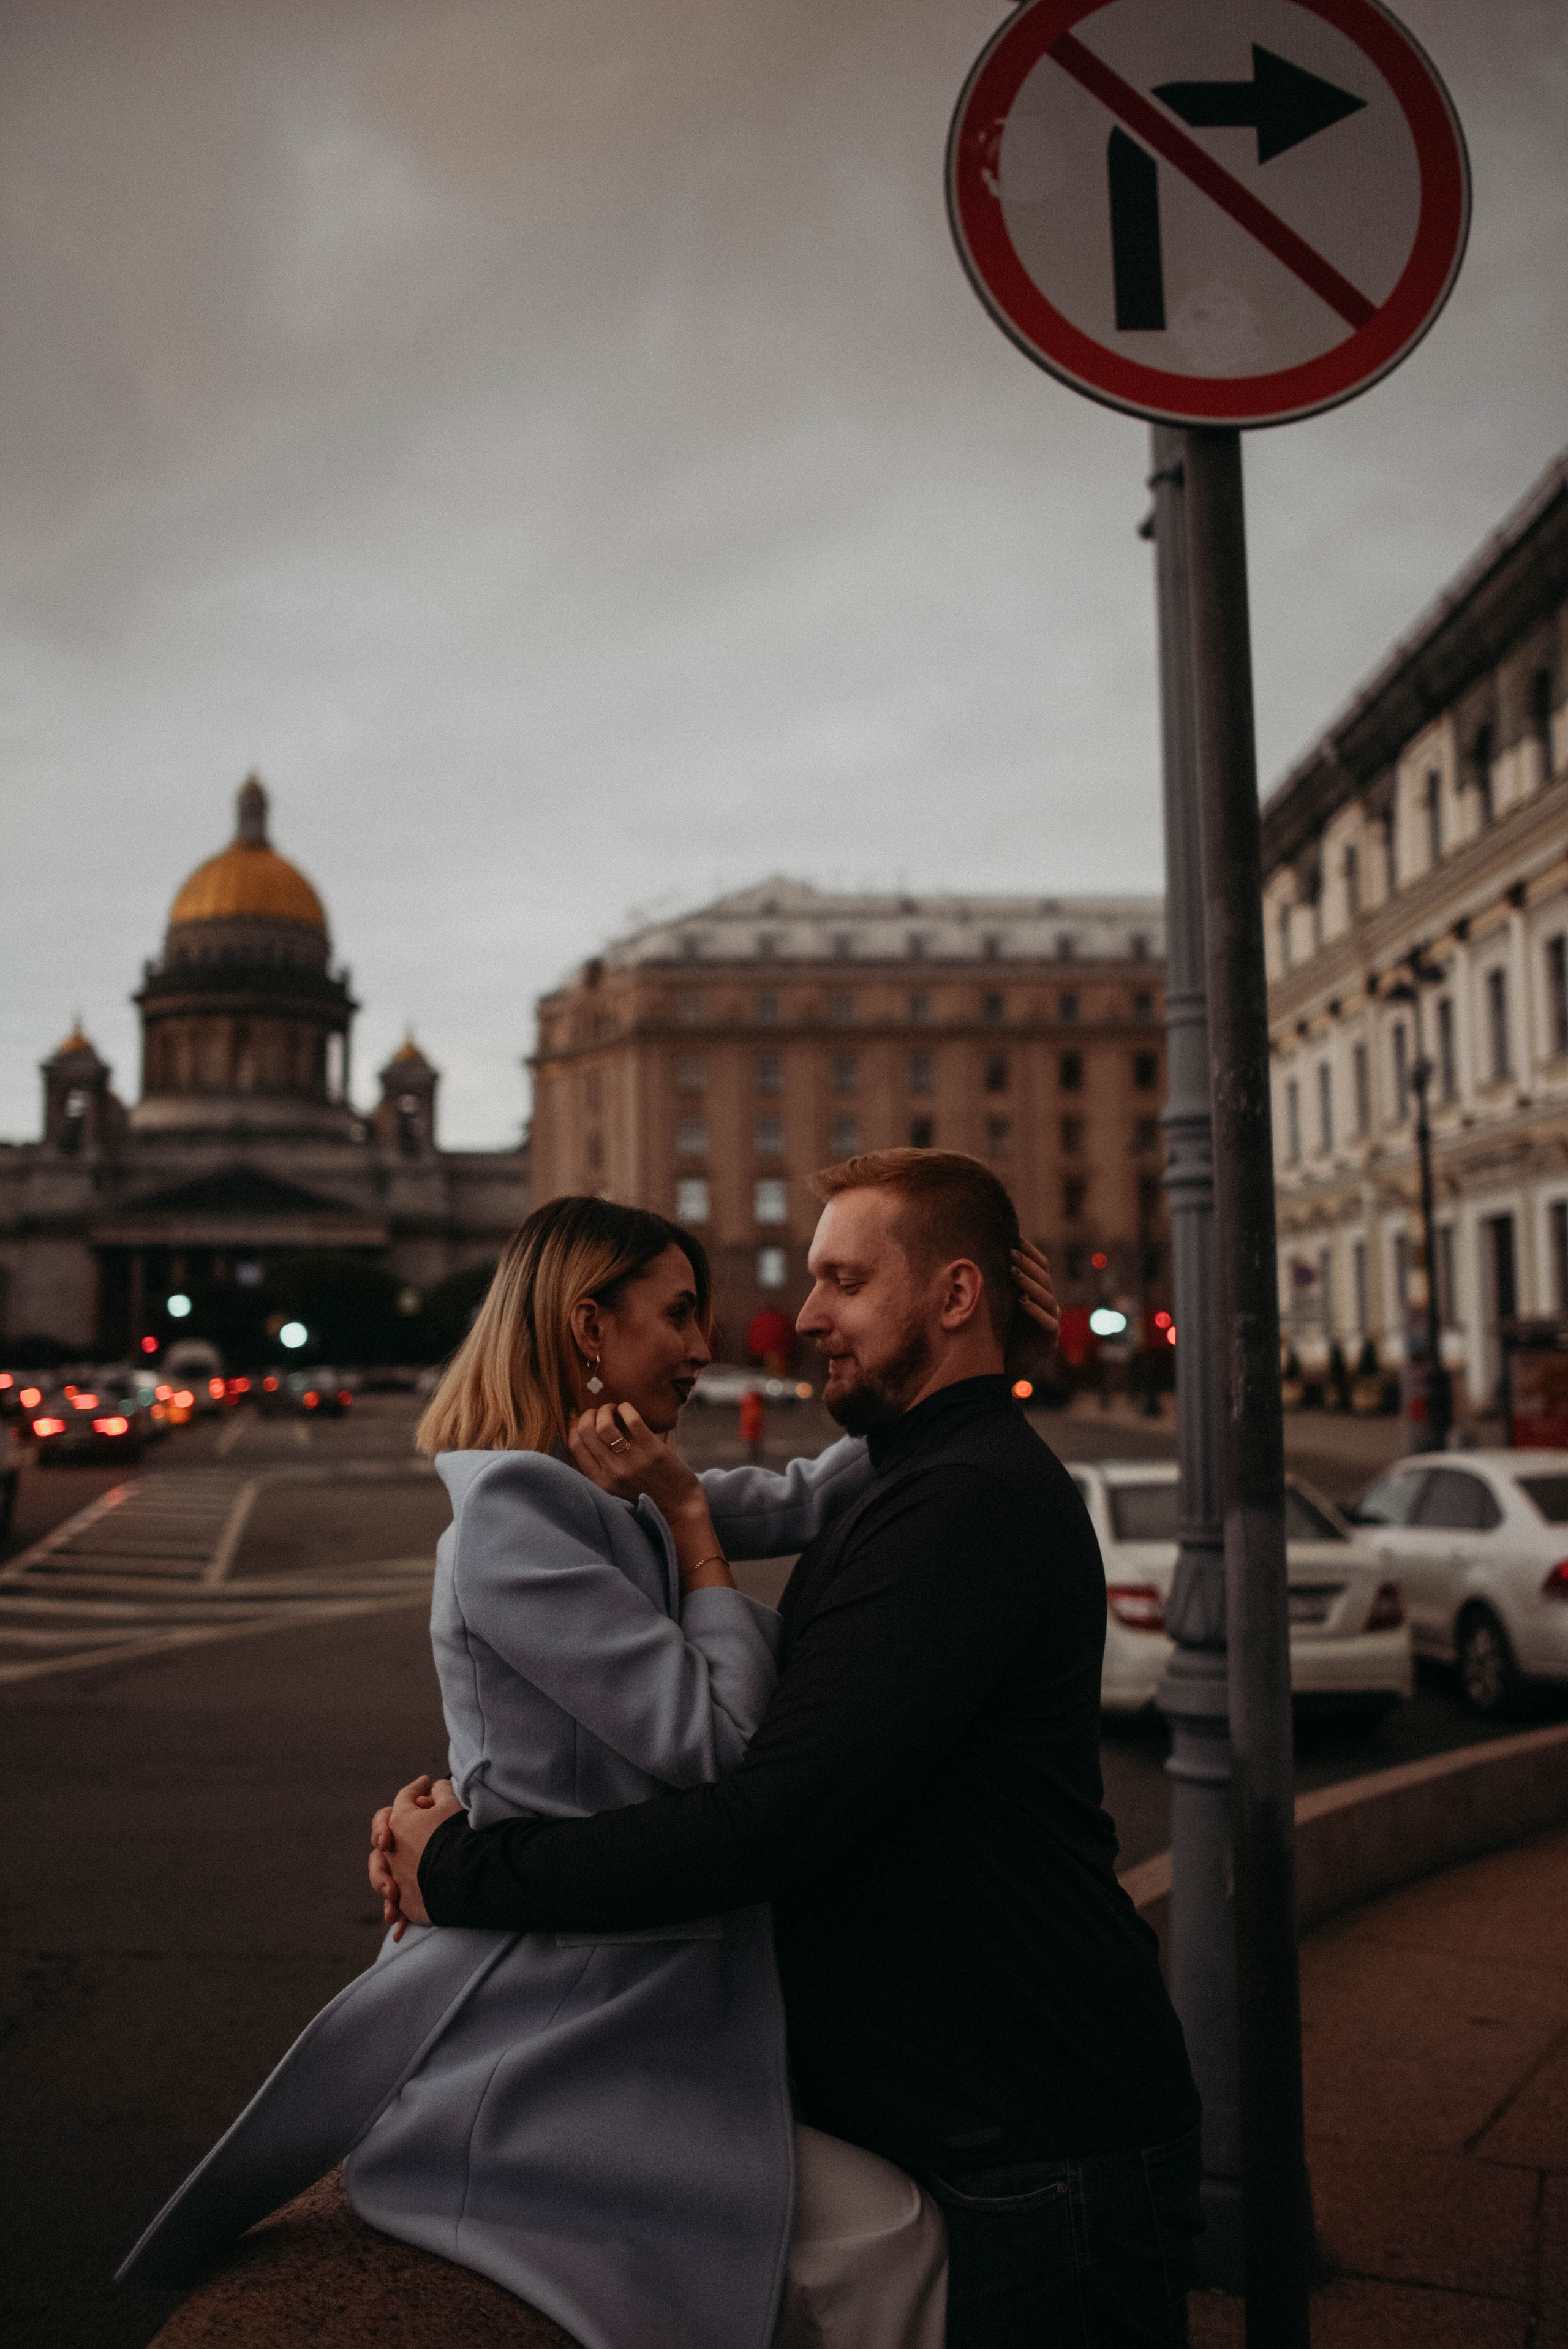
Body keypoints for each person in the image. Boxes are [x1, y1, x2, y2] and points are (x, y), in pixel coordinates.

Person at [119, 1194, 979, 2349]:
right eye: (678, 1314)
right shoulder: (519, 1520)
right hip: (563, 2027)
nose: (703, 1345)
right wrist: (688, 1518)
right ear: (588, 1328)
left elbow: (810, 1494)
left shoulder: (586, 1494)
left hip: (643, 1989)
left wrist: (969, 1354)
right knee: (888, 2241)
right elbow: (721, 1741)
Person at [378, 1151, 1203, 2348]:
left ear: (954, 1297)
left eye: (842, 1281)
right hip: (984, 2114)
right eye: (682, 1314)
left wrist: (458, 1870)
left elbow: (762, 1811)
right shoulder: (924, 1474)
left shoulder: (960, 1501)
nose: (797, 1317)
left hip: (1031, 2131)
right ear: (583, 1327)